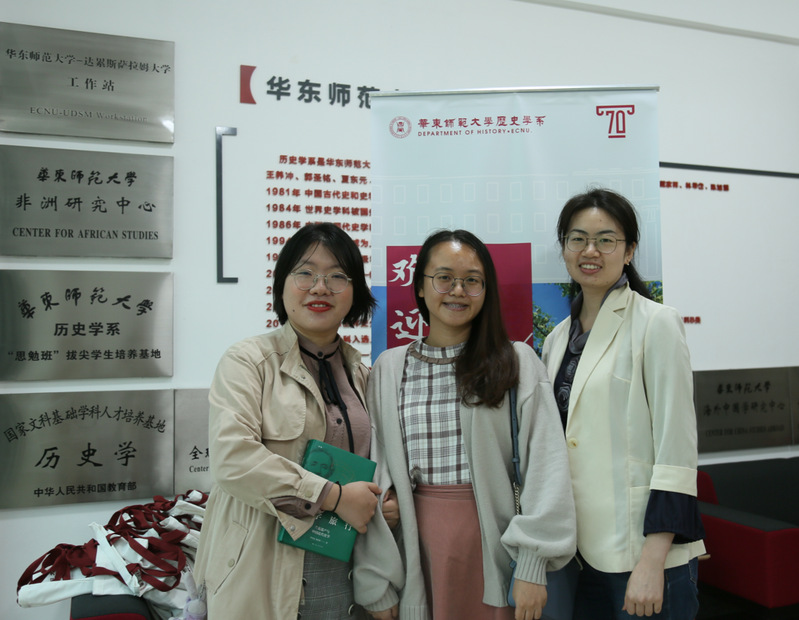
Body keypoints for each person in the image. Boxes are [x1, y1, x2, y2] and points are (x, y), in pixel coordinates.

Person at [354, 229, 576, 620]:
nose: (457, 290)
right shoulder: (388, 368)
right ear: (420, 286)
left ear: (486, 291)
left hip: (498, 548)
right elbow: (378, 470)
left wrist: (532, 563)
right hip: (416, 550)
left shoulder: (516, 361)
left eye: (472, 280)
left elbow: (546, 465)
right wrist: (376, 581)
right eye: (444, 278)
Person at [193, 222, 383, 620]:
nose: (320, 287)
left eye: (337, 276)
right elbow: (233, 459)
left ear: (354, 291)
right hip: (261, 572)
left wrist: (385, 503)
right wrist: (333, 497)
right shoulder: (249, 362)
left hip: (343, 575)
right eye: (305, 273)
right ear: (282, 284)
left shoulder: (364, 375)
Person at [541, 188, 706, 619]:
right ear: (564, 248)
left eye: (606, 240)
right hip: (578, 554)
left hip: (642, 553)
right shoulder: (556, 339)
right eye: (577, 239)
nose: (589, 251)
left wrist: (652, 560)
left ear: (629, 250)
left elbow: (676, 448)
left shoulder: (656, 323)